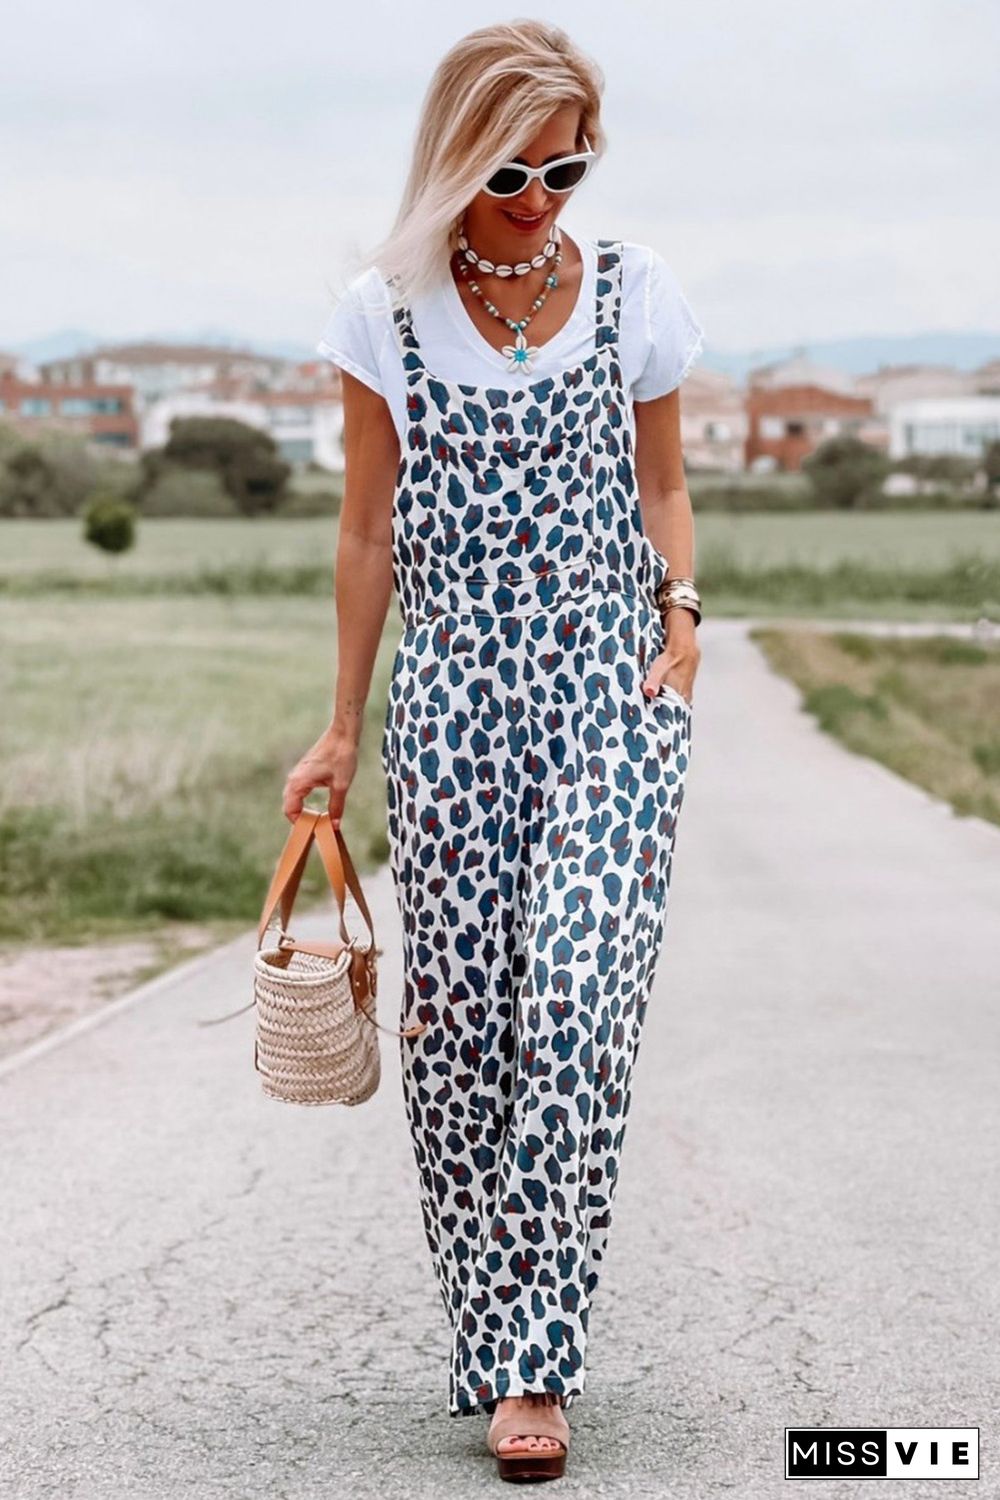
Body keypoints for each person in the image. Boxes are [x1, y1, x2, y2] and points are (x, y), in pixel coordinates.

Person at [284, 19, 704, 1483]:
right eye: (515, 170)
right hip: (452, 699)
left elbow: (664, 484)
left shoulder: (636, 292)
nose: (544, 200)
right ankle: (492, 1330)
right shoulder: (379, 314)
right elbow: (362, 531)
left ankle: (536, 1361)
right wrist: (341, 724)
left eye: (570, 167)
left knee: (581, 1007)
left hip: (610, 688)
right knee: (460, 1039)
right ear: (461, 154)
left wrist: (685, 611)